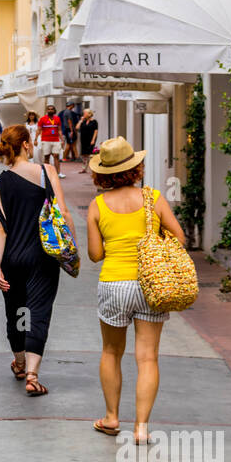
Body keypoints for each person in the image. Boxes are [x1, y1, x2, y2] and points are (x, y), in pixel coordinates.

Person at [86, 137, 186, 443]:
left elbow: (95, 254)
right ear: (135, 167)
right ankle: (141, 428)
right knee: (147, 358)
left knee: (111, 352)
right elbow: (179, 239)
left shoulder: (97, 205)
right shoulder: (153, 198)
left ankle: (112, 417)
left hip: (114, 283)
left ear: (102, 173)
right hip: (150, 284)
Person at [0, 125, 75, 395]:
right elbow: (63, 212)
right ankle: (32, 374)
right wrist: (72, 247)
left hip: (12, 257)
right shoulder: (45, 172)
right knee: (38, 310)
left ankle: (18, 361)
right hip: (43, 255)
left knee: (16, 311)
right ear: (27, 144)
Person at [37, 105, 64, 176]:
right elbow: (39, 129)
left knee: (56, 156)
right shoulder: (42, 119)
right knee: (47, 157)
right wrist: (35, 139)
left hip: (56, 140)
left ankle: (58, 173)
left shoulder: (57, 118)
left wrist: (62, 140)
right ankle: (46, 173)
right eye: (49, 109)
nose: (50, 110)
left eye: (52, 109)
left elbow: (59, 130)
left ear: (54, 111)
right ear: (46, 110)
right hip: (46, 140)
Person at [77, 108, 99, 173]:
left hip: (90, 139)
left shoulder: (94, 121)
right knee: (84, 154)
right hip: (83, 139)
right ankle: (84, 168)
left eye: (85, 113)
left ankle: (92, 168)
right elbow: (77, 128)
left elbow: (95, 131)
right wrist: (80, 121)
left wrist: (93, 139)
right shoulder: (83, 121)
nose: (83, 114)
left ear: (89, 114)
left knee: (90, 153)